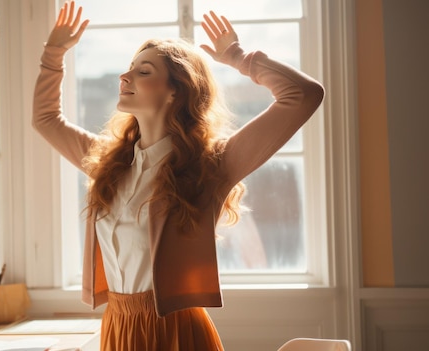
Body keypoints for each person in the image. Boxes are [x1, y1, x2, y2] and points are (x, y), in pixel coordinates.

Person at [32, 2, 324, 350]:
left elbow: (303, 95)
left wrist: (238, 56)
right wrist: (54, 53)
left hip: (175, 333)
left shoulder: (210, 166)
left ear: (175, 90)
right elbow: (46, 119)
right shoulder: (108, 163)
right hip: (117, 326)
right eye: (128, 69)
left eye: (143, 71)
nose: (124, 77)